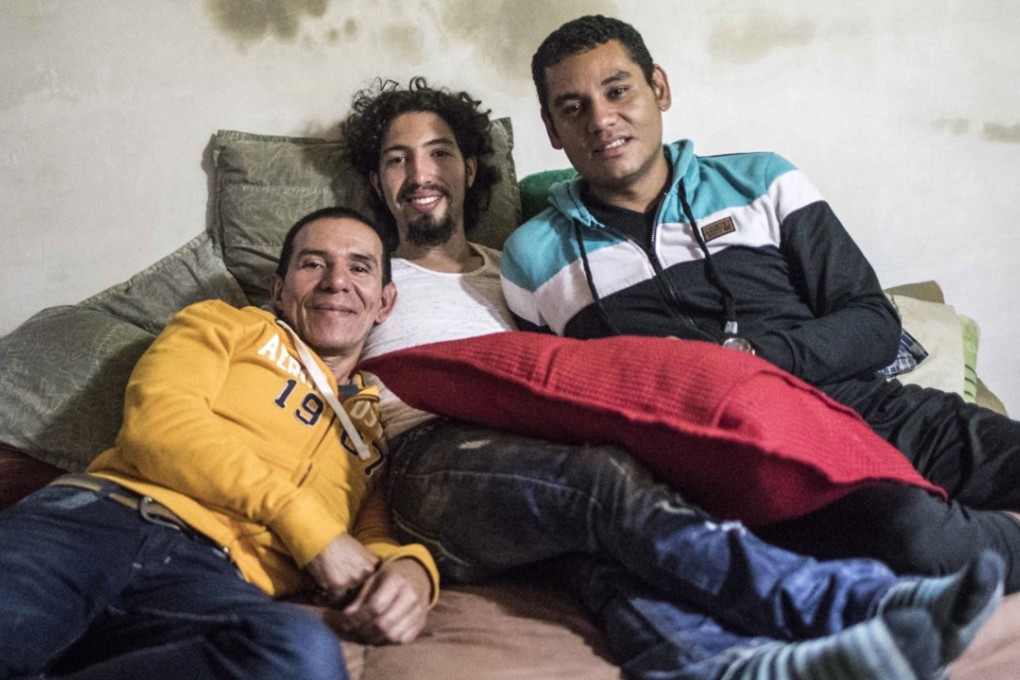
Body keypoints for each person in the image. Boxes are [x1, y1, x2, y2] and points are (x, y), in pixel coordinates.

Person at [340, 77, 1003, 680]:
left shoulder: (523, 277)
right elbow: (327, 415)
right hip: (434, 460)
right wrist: (380, 545)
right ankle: (846, 602)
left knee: (612, 556)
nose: (420, 173)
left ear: (470, 169)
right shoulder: (359, 275)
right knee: (603, 480)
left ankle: (728, 667)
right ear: (376, 180)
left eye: (439, 152)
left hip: (534, 472)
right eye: (397, 158)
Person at [500, 14, 1020, 589]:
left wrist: (748, 359)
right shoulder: (532, 259)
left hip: (871, 409)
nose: (601, 120)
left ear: (659, 88)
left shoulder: (765, 181)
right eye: (573, 108)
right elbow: (554, 410)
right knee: (916, 537)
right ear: (551, 128)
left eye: (618, 90)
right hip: (752, 463)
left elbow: (874, 324)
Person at [0, 207, 437, 679]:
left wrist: (415, 571)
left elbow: (371, 539)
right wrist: (309, 528)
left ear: (385, 303)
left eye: (359, 266)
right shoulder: (224, 324)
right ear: (278, 289)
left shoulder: (375, 433)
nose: (336, 281)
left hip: (212, 586)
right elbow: (160, 424)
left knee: (300, 653)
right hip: (96, 524)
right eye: (313, 263)